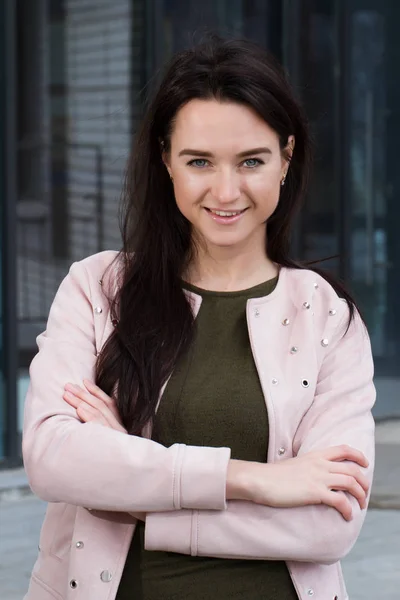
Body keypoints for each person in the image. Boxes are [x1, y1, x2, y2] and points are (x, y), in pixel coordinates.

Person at [23, 35, 375, 600]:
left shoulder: (328, 317)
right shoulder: (95, 288)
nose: (226, 190)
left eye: (252, 161)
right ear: (166, 160)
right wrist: (256, 480)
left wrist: (137, 492)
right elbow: (52, 459)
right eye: (199, 162)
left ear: (286, 158)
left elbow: (330, 523)